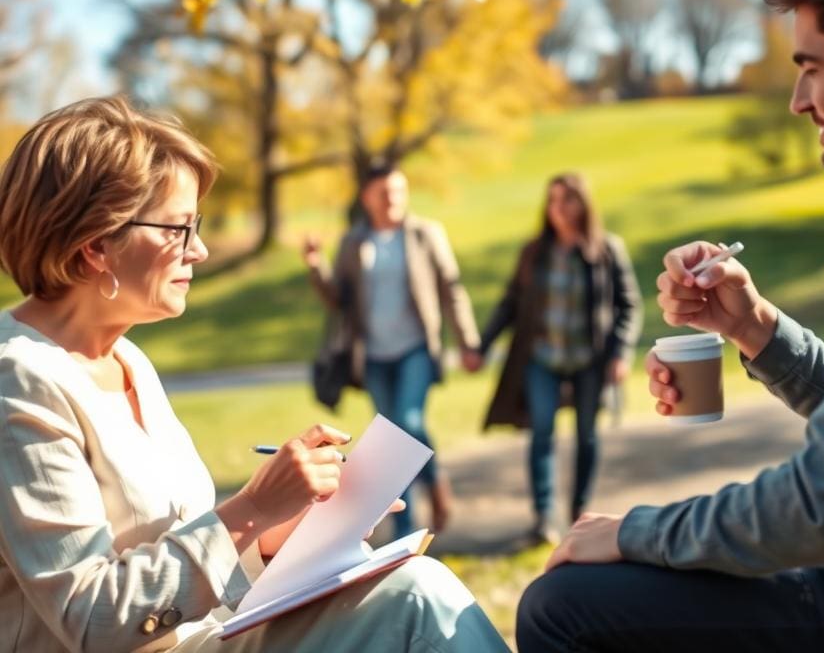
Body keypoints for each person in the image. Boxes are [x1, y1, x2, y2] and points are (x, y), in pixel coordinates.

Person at [515, 0, 824, 653]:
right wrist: (753, 326)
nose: (797, 101)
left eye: (811, 66)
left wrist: (636, 532)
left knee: (565, 606)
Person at [0, 96, 509, 653]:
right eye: (178, 228)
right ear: (97, 244)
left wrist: (280, 533)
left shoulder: (126, 360)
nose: (200, 249)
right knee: (415, 597)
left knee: (409, 587)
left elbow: (179, 548)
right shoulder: (20, 380)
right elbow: (91, 616)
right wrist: (252, 508)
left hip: (208, 639)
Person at [302, 163, 481, 538]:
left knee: (406, 424)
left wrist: (468, 340)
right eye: (384, 193)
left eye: (399, 191)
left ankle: (429, 491)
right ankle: (407, 525)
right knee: (394, 438)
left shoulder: (425, 234)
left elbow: (451, 288)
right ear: (367, 198)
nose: (393, 200)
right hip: (373, 356)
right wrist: (316, 265)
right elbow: (338, 299)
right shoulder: (354, 242)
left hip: (415, 347)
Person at [478, 173, 641, 544]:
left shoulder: (607, 251)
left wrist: (620, 352)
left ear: (583, 204)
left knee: (586, 435)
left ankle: (579, 513)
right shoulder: (535, 253)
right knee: (542, 435)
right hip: (542, 359)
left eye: (567, 200)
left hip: (589, 360)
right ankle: (543, 519)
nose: (559, 209)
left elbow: (629, 305)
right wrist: (483, 346)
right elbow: (510, 303)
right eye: (552, 201)